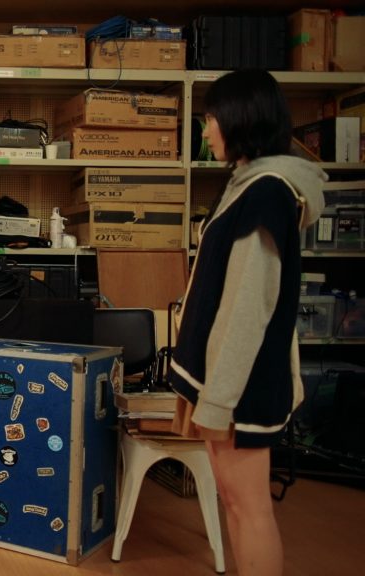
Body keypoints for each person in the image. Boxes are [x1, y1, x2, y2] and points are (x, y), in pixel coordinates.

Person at [168, 69, 325, 575]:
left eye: (211, 118)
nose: (206, 130)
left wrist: (219, 399)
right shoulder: (247, 186)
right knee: (236, 503)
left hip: (241, 385)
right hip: (232, 380)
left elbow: (249, 308)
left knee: (249, 507)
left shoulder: (265, 194)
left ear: (239, 119)